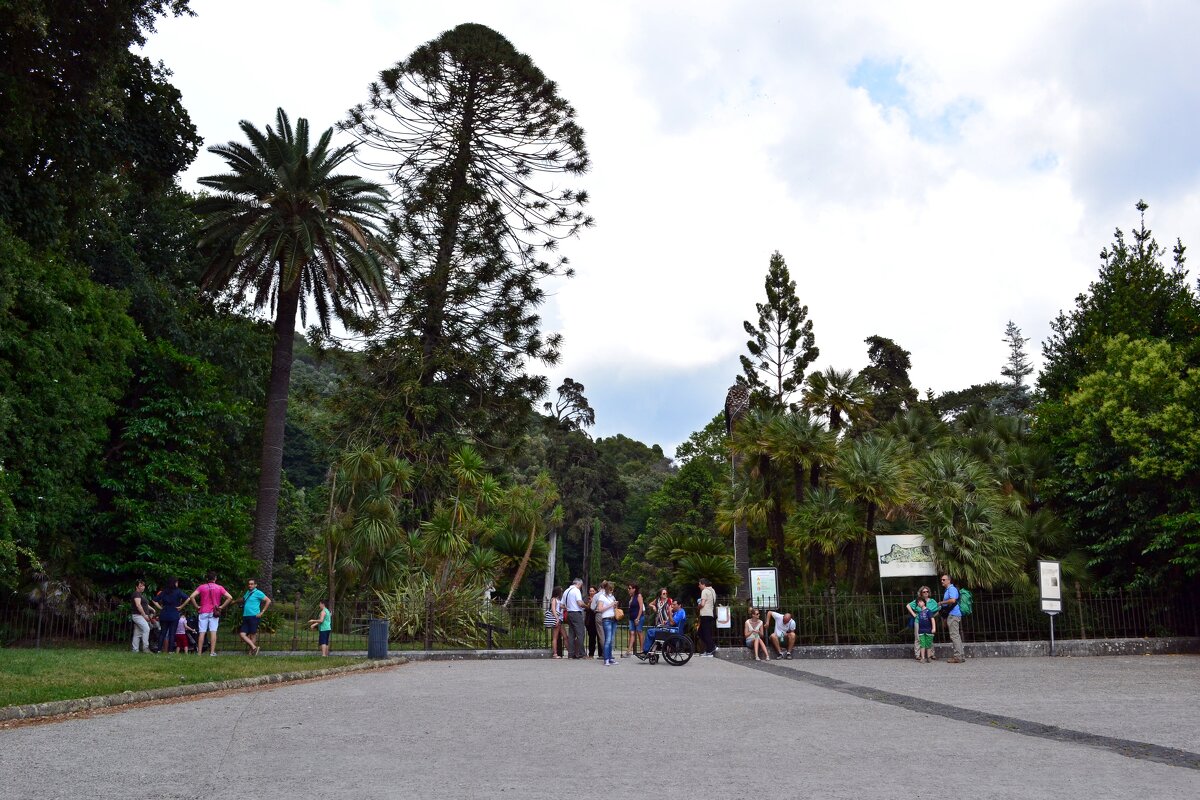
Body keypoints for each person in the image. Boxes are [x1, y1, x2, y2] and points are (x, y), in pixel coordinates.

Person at [180, 571, 232, 657]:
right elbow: (230, 597)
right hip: (214, 612)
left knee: (202, 632)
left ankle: (199, 653)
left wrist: (197, 606)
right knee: (213, 631)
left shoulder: (201, 587)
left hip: (203, 611)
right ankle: (212, 652)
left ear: (207, 578)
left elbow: (192, 596)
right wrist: (221, 607)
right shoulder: (219, 587)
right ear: (215, 578)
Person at [153, 577, 188, 654]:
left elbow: (154, 600)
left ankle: (159, 650)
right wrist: (181, 607)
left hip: (164, 614)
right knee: (172, 633)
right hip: (174, 614)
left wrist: (160, 608)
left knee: (163, 633)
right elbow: (188, 598)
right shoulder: (178, 591)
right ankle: (171, 650)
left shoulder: (164, 592)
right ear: (175, 583)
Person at [238, 578, 271, 655]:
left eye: (252, 584)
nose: (250, 585)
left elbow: (268, 601)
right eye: (249, 584)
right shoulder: (248, 592)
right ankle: (254, 647)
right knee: (242, 634)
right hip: (246, 616)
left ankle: (251, 652)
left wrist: (262, 612)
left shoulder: (258, 593)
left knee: (252, 634)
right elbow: (243, 599)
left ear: (255, 585)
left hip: (254, 616)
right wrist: (234, 602)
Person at [906, 586, 937, 661]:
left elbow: (938, 608)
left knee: (929, 638)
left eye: (927, 591)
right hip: (918, 621)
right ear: (921, 593)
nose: (926, 593)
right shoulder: (918, 600)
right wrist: (914, 614)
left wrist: (933, 616)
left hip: (928, 622)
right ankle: (918, 654)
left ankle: (931, 654)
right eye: (924, 592)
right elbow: (908, 605)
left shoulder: (932, 601)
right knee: (918, 637)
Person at [940, 573, 965, 663]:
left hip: (953, 615)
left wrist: (941, 603)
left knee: (954, 636)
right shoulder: (948, 589)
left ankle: (958, 657)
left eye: (944, 579)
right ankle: (961, 656)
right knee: (956, 636)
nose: (942, 581)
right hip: (952, 615)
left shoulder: (952, 589)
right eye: (941, 580)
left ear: (949, 580)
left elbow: (953, 600)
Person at [594, 580, 619, 665]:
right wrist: (610, 605)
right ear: (607, 589)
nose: (612, 591)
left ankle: (610, 657)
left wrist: (615, 605)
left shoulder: (612, 597)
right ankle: (606, 659)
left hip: (613, 619)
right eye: (611, 589)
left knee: (611, 639)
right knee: (607, 639)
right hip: (606, 619)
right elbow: (600, 609)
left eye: (613, 589)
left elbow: (614, 607)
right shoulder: (602, 597)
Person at [563, 578, 586, 659]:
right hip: (576, 613)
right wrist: (586, 606)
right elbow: (580, 603)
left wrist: (569, 606)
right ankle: (581, 653)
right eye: (581, 586)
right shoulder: (576, 590)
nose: (580, 587)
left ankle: (571, 654)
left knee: (571, 634)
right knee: (581, 633)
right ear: (579, 584)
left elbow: (562, 605)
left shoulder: (566, 591)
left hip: (569, 613)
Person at [130, 579, 152, 653]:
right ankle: (145, 648)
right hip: (138, 616)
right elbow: (138, 605)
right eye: (140, 586)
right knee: (146, 629)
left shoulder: (140, 595)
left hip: (139, 616)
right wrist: (144, 615)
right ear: (136, 587)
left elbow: (145, 604)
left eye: (143, 586)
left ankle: (135, 649)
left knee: (137, 633)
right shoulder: (136, 594)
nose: (142, 587)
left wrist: (152, 609)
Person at [697, 578, 717, 656]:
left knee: (704, 633)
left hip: (705, 614)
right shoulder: (712, 591)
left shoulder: (704, 591)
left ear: (703, 584)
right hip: (710, 614)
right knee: (702, 632)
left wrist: (698, 606)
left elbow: (702, 604)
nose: (699, 586)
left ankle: (712, 648)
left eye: (699, 584)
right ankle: (709, 649)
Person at [624, 583, 644, 657]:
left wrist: (638, 618)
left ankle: (642, 650)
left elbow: (641, 607)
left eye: (629, 588)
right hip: (631, 618)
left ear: (634, 589)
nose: (628, 590)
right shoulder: (631, 597)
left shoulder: (639, 596)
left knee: (639, 632)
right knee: (631, 633)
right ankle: (629, 651)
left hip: (638, 617)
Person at [544, 587, 564, 659]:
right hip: (556, 619)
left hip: (558, 619)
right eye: (561, 591)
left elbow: (561, 606)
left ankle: (568, 652)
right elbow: (553, 609)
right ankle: (555, 653)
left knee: (564, 636)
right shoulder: (554, 599)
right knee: (555, 637)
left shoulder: (557, 600)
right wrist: (557, 618)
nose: (562, 593)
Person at [915, 598, 937, 663]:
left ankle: (929, 657)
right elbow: (919, 622)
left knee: (928, 644)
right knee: (922, 644)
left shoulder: (928, 611)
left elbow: (932, 619)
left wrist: (934, 628)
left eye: (920, 601)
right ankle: (923, 657)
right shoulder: (919, 612)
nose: (919, 603)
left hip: (928, 630)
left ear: (924, 602)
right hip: (921, 631)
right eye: (918, 602)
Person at [584, 586, 600, 659]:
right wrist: (590, 603)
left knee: (600, 637)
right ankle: (591, 654)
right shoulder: (587, 599)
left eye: (593, 591)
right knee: (591, 638)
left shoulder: (599, 598)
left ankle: (601, 654)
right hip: (590, 620)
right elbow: (586, 609)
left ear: (596, 592)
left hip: (597, 619)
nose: (591, 592)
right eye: (590, 591)